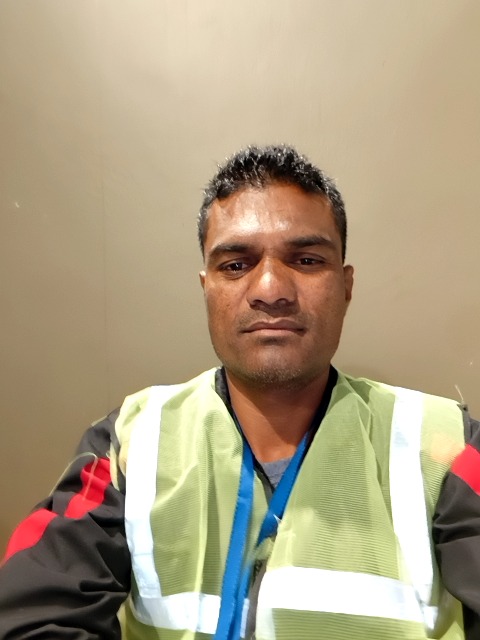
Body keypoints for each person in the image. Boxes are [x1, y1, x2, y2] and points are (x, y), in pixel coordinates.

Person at [0, 144, 478, 640]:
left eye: (306, 259)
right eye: (235, 265)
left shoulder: (446, 449)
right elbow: (32, 622)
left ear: (345, 287)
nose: (271, 289)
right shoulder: (130, 445)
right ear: (206, 289)